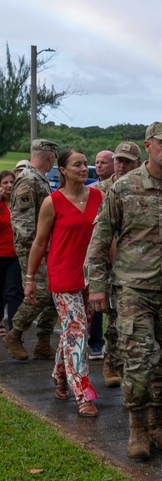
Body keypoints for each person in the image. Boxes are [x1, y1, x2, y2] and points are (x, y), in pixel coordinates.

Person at [86, 121, 162, 460]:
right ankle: (137, 429)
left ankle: (157, 424)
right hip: (133, 289)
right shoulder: (123, 188)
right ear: (148, 146)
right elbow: (101, 238)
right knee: (139, 361)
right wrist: (97, 285)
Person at [25, 150, 103, 417]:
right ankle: (82, 393)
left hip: (91, 278)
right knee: (78, 332)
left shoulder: (98, 197)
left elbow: (106, 238)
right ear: (63, 170)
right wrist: (30, 278)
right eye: (77, 165)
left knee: (73, 333)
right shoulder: (52, 202)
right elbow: (39, 243)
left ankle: (60, 374)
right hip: (63, 277)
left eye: (85, 164)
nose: (84, 169)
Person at [92, 140, 142, 389]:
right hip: (112, 267)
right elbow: (98, 236)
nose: (121, 166)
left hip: (138, 267)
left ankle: (136, 369)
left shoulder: (143, 189)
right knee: (114, 322)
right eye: (118, 161)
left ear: (138, 164)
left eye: (127, 161)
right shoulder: (101, 190)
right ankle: (111, 363)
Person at [5, 139, 60, 361]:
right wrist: (34, 252)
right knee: (40, 293)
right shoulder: (28, 179)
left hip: (46, 247)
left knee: (54, 294)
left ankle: (43, 343)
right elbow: (23, 223)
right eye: (54, 157)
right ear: (50, 157)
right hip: (34, 249)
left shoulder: (39, 179)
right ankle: (14, 334)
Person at [87, 150, 115, 360]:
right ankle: (95, 342)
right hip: (99, 254)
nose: (99, 165)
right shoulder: (91, 191)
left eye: (104, 162)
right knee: (96, 300)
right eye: (97, 162)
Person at [0, 170, 24, 337]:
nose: (9, 186)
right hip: (0, 254)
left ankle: (14, 332)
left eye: (11, 182)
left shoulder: (19, 203)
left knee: (13, 292)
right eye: (5, 183)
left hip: (15, 255)